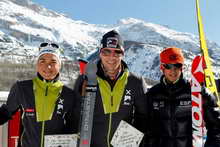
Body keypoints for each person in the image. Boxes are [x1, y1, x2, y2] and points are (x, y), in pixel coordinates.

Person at [74, 30, 148, 147]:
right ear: (100, 53)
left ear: (123, 54)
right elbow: (75, 115)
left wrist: (133, 140)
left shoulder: (136, 82)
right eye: (106, 52)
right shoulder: (86, 80)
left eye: (117, 52)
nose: (111, 57)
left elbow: (144, 117)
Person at [0, 42, 79, 147]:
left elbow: (72, 127)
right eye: (42, 61)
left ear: (59, 65)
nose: (48, 66)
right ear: (37, 64)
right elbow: (5, 113)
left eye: (53, 61)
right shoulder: (22, 88)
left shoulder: (69, 94)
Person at [145, 47, 220, 147]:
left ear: (182, 67)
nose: (173, 70)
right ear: (162, 67)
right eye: (168, 66)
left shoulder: (197, 92)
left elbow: (216, 126)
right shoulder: (153, 94)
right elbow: (148, 129)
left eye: (177, 65)